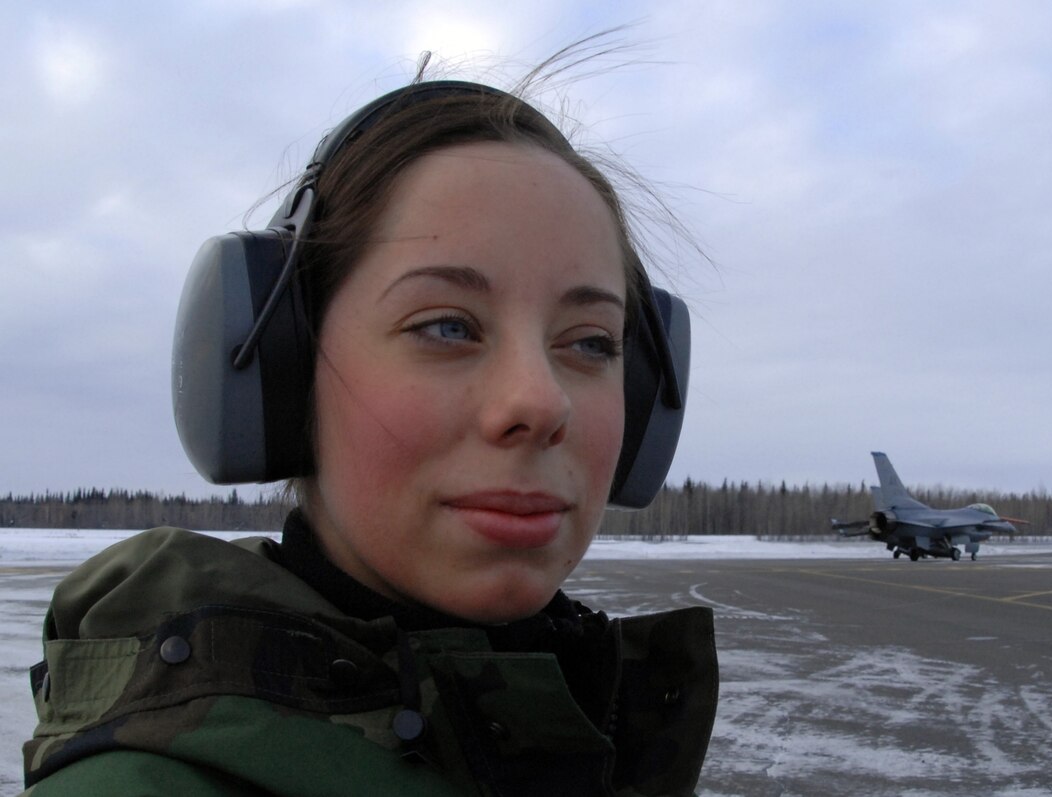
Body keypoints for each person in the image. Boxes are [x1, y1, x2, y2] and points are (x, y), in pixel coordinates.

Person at [19, 52, 717, 797]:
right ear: (284, 376)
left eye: (590, 342)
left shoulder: (601, 734)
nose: (542, 404)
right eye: (447, 326)